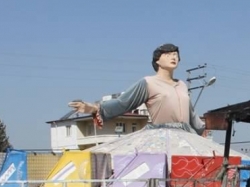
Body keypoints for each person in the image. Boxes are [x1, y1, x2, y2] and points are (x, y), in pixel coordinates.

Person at [67, 43, 208, 136]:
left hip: (187, 136)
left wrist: (213, 124)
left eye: (176, 55)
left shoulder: (182, 85)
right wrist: (94, 108)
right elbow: (123, 103)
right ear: (157, 60)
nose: (173, 57)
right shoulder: (148, 82)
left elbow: (192, 115)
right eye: (168, 54)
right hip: (163, 135)